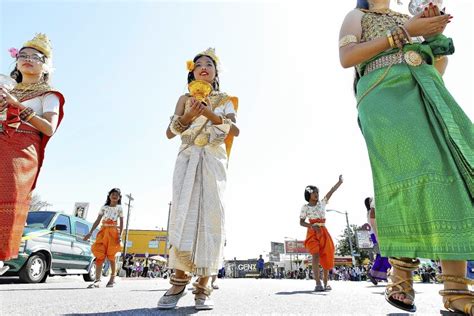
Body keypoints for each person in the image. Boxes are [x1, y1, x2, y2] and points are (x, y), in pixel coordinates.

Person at [339, 1, 473, 313]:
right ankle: (400, 277)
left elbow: (435, 68)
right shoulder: (357, 15)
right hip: (383, 95)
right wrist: (404, 33)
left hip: (424, 91)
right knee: (403, 175)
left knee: (449, 173)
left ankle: (455, 287)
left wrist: (431, 37)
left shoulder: (408, 16)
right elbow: (347, 58)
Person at [158, 48, 239, 311]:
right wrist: (189, 115)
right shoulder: (184, 98)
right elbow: (170, 133)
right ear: (191, 71)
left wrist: (209, 114)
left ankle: (203, 287)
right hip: (187, 159)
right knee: (183, 215)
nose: (204, 67)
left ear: (216, 73)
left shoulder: (225, 99)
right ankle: (178, 281)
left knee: (211, 218)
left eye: (210, 64)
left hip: (213, 161)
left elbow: (235, 130)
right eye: (199, 64)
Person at [0, 34, 65, 276]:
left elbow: (49, 127)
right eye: (22, 55)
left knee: (7, 198)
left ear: (45, 66)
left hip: (20, 152)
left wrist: (18, 105)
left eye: (35, 57)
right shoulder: (6, 88)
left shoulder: (49, 94)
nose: (27, 60)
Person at [299, 175, 343, 292]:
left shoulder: (322, 203)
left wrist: (339, 182)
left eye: (317, 192)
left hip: (323, 232)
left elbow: (331, 192)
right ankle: (317, 283)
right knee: (315, 255)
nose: (317, 194)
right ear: (309, 194)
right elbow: (301, 222)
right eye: (314, 192)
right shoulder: (305, 207)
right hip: (313, 232)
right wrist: (311, 226)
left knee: (326, 255)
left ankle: (326, 282)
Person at [83, 188, 124, 288]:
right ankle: (97, 280)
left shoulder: (119, 208)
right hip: (103, 232)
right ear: (109, 196)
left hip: (113, 233)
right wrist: (90, 232)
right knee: (99, 256)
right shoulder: (104, 207)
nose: (114, 196)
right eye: (112, 194)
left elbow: (122, 223)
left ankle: (112, 279)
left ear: (119, 198)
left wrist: (120, 236)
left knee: (111, 256)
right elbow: (97, 220)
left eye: (117, 195)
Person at [365, 197, 391, 285]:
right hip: (376, 234)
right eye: (371, 201)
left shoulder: (370, 212)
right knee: (383, 254)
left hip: (375, 234)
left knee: (382, 255)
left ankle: (374, 273)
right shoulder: (371, 212)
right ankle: (390, 272)